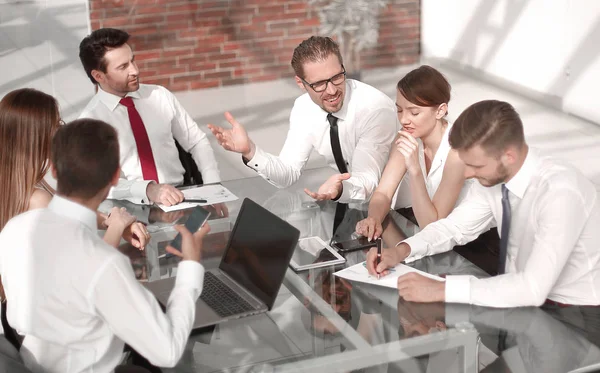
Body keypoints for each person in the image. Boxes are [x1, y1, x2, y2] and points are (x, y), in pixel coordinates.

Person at [0, 118, 209, 372]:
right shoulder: (104, 264)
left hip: (33, 361)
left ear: (54, 170)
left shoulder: (15, 228)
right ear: (115, 177)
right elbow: (168, 352)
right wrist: (190, 266)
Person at [366, 100, 600, 308]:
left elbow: (532, 288)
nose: (466, 174)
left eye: (476, 166)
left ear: (508, 156)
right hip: (516, 297)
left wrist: (441, 289)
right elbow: (454, 228)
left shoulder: (560, 192)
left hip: (577, 314)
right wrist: (400, 251)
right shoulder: (495, 179)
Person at [208, 36, 397, 203]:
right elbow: (287, 174)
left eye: (337, 77)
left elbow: (368, 181)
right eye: (319, 84)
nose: (332, 91)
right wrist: (250, 151)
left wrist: (340, 189)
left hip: (396, 206)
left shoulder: (374, 108)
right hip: (349, 204)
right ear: (301, 83)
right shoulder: (303, 107)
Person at [78, 28, 221, 206]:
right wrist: (147, 189)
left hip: (182, 197)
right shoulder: (88, 122)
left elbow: (196, 141)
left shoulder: (159, 96)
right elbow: (96, 182)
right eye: (123, 67)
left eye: (133, 61)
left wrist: (213, 186)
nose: (135, 71)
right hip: (130, 209)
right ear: (98, 76)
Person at [0, 88, 148, 250]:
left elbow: (67, 213)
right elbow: (84, 267)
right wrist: (117, 227)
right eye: (56, 125)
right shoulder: (38, 199)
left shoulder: (27, 184)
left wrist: (110, 220)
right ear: (35, 137)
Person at [355, 65, 472, 241]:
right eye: (400, 110)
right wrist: (374, 219)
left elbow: (431, 225)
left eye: (414, 112)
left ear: (440, 111)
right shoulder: (407, 137)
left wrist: (415, 170)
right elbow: (383, 193)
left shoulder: (457, 152)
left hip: (470, 245)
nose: (403, 120)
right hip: (428, 234)